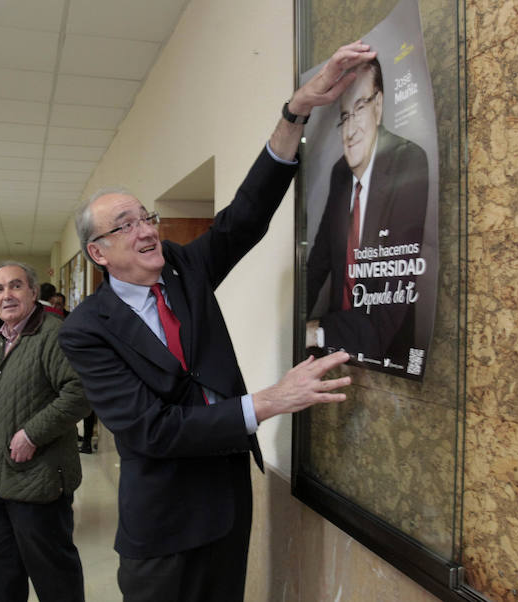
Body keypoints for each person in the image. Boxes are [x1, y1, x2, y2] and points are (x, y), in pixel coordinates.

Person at [58, 42, 374, 601]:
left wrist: (294, 112)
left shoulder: (183, 268)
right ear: (98, 254)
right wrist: (270, 401)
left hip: (228, 504)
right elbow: (151, 430)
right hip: (163, 527)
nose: (146, 229)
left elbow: (244, 217)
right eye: (125, 224)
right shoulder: (86, 329)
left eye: (146, 216)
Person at [0, 261, 89, 602]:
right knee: (4, 571)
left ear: (34, 292)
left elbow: (81, 392)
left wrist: (32, 434)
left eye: (15, 286)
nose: (6, 295)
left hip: (39, 481)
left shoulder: (54, 334)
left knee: (53, 574)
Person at [305, 57, 429, 362]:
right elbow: (319, 261)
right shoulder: (340, 173)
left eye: (360, 107)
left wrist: (316, 331)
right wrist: (292, 322)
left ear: (379, 105)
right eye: (344, 115)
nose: (350, 130)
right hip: (337, 349)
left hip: (385, 354)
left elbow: (386, 315)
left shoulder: (408, 161)